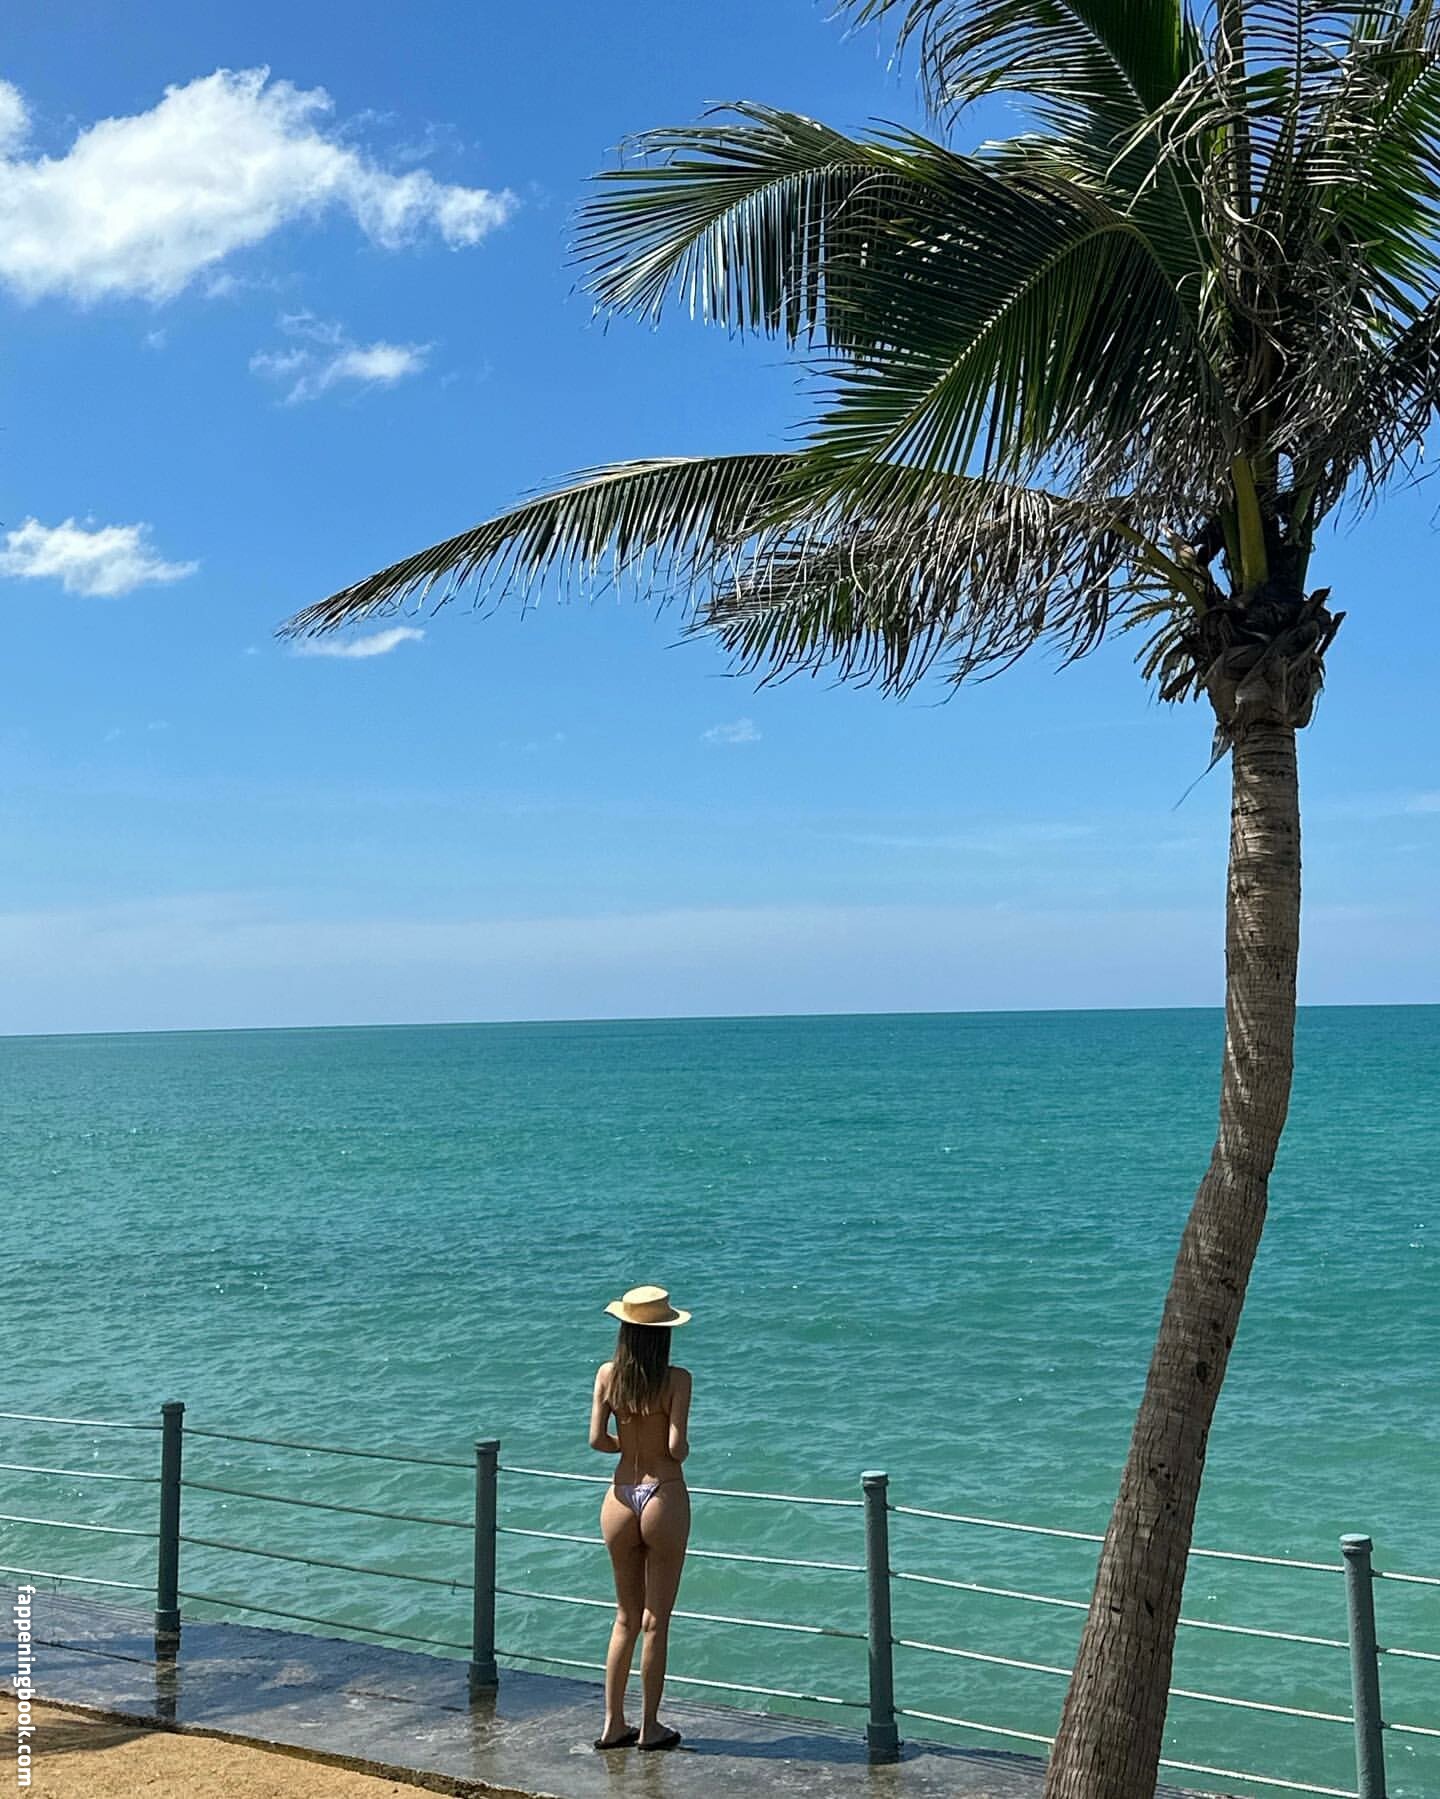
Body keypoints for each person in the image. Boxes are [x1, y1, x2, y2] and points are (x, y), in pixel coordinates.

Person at [588, 1284, 692, 1751]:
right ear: (664, 1334)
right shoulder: (677, 1379)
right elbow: (676, 1448)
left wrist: (627, 1445)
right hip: (662, 1494)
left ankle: (613, 1724)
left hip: (619, 1497)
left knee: (625, 1618)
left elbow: (597, 1440)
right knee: (656, 1621)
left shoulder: (607, 1375)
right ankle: (650, 1727)